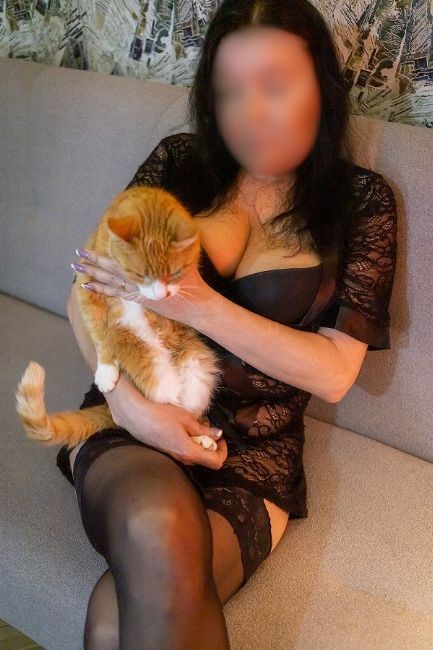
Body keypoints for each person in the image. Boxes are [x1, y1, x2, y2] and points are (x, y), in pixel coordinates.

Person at [56, 1, 398, 647]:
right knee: (155, 523)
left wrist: (194, 303)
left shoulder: (362, 202)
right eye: (229, 90)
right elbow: (85, 291)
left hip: (251, 452)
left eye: (275, 85)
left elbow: (333, 374)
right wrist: (127, 406)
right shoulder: (178, 164)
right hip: (137, 413)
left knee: (117, 615)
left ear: (321, 87)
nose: (251, 113)